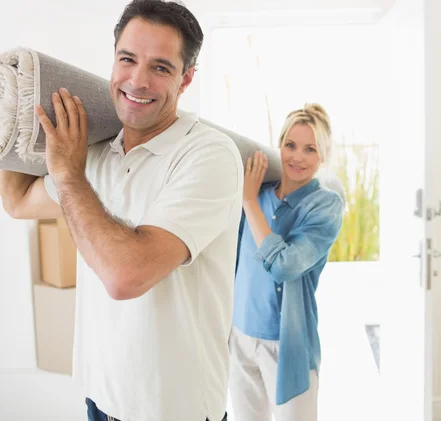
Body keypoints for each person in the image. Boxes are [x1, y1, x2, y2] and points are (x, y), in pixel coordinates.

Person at [0, 1, 241, 420]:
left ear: (187, 80)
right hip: (101, 399)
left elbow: (125, 275)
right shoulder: (95, 152)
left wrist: (70, 175)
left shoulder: (209, 155)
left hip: (174, 410)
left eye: (161, 67)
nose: (137, 80)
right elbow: (18, 203)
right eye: (127, 59)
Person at [229, 104, 344, 421]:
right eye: (290, 145)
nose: (298, 157)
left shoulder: (325, 205)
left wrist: (249, 202)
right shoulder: (259, 193)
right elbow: (235, 262)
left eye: (311, 149)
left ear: (322, 156)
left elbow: (285, 265)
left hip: (287, 346)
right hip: (240, 337)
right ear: (279, 144)